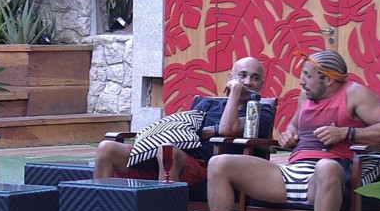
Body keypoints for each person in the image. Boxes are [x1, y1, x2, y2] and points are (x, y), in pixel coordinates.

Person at [189, 50, 380, 211]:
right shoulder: (305, 96)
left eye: (307, 75)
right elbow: (294, 126)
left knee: (326, 166)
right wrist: (288, 134)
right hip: (293, 172)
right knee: (219, 163)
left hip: (328, 175)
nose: (301, 81)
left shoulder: (355, 93)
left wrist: (346, 133)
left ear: (329, 80)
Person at [93, 56, 274, 185]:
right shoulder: (208, 104)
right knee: (107, 148)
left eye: (255, 78)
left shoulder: (261, 112)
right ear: (230, 78)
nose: (248, 82)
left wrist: (234, 92)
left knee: (167, 152)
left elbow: (228, 129)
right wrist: (211, 130)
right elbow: (185, 130)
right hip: (170, 158)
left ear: (261, 85)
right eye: (242, 75)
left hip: (208, 168)